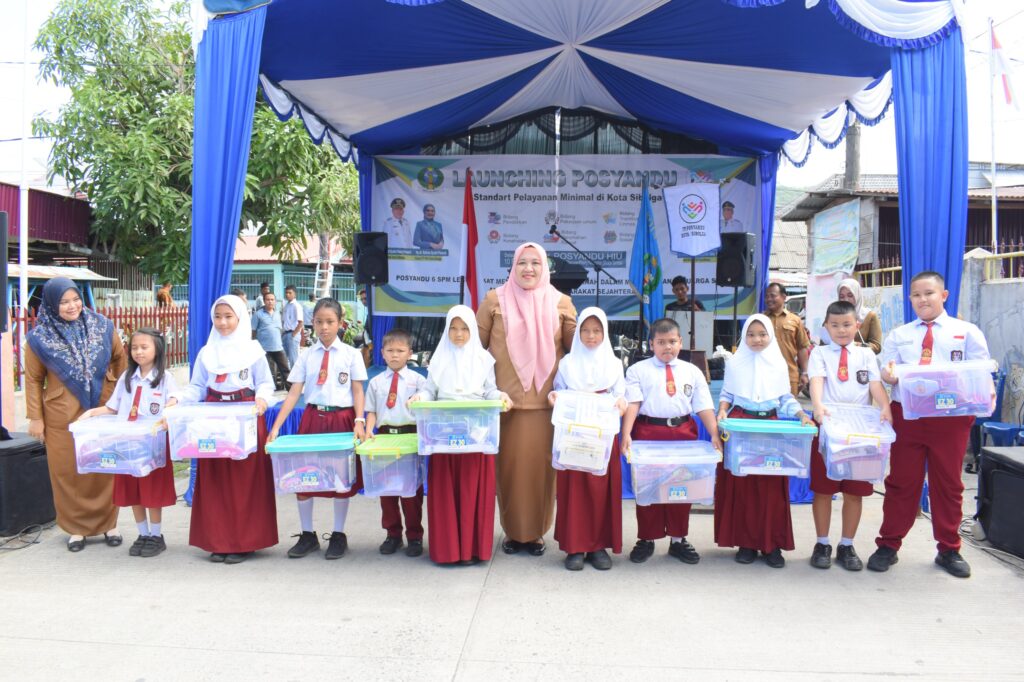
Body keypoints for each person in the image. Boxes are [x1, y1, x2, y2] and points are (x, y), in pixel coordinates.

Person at [869, 271, 992, 579]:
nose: (922, 299)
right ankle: (888, 544)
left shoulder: (967, 332)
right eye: (916, 295)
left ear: (944, 295)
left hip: (950, 419)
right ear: (910, 299)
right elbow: (886, 369)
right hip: (908, 416)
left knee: (948, 483)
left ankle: (949, 548)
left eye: (929, 293)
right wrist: (889, 375)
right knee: (901, 482)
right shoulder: (900, 334)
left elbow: (980, 372)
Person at [477, 242, 577, 556]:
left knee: (542, 473)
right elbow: (474, 350)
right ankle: (513, 532)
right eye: (522, 262)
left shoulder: (562, 302)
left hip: (546, 406)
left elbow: (579, 349)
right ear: (513, 266)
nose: (529, 268)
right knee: (508, 472)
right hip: (504, 406)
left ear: (545, 267)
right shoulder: (494, 299)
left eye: (535, 262)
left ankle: (536, 533)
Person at [171, 295, 277, 564]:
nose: (223, 322)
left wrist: (262, 400)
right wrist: (177, 399)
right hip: (213, 420)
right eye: (217, 317)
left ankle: (243, 542)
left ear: (240, 318)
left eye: (229, 316)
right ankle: (219, 541)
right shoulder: (207, 353)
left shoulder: (253, 351)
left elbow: (266, 383)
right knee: (216, 481)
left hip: (245, 419)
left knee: (244, 482)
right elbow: (197, 387)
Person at [25, 277, 127, 552]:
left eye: (75, 299)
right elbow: (33, 379)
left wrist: (119, 394)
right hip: (61, 415)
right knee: (68, 471)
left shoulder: (103, 326)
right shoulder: (38, 338)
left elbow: (120, 358)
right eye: (64, 302)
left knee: (105, 464)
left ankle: (109, 525)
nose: (72, 306)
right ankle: (76, 529)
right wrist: (36, 417)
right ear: (51, 304)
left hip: (103, 408)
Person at [268, 298, 368, 561]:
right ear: (312, 323)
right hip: (313, 418)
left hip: (341, 419)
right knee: (304, 476)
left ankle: (338, 534)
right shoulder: (306, 356)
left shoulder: (351, 354)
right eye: (319, 321)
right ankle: (307, 534)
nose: (324, 327)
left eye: (330, 322)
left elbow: (358, 390)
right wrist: (276, 427)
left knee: (340, 480)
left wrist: (359, 420)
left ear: (340, 323)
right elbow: (293, 393)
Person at [411, 306, 511, 565]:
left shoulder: (484, 359)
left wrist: (501, 396)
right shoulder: (438, 359)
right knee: (446, 493)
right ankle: (449, 552)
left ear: (473, 330)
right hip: (443, 436)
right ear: (446, 330)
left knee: (471, 491)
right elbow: (429, 391)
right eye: (453, 328)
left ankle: (471, 550)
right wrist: (419, 397)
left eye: (465, 328)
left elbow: (489, 391)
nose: (458, 334)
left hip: (476, 435)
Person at [715, 314, 814, 568]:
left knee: (771, 487)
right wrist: (723, 410)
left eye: (762, 334)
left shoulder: (779, 364)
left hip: (770, 427)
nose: (756, 339)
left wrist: (802, 415)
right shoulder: (735, 363)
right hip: (741, 426)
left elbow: (785, 398)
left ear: (770, 336)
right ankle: (746, 543)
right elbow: (727, 393)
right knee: (744, 487)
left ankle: (772, 545)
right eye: (751, 334)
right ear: (744, 336)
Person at [622, 318, 722, 565]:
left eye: (672, 341)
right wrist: (626, 433)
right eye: (661, 342)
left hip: (683, 433)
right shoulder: (638, 370)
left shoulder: (692, 371)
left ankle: (678, 539)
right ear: (651, 344)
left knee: (682, 486)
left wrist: (714, 433)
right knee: (648, 487)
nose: (667, 347)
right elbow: (633, 403)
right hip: (648, 432)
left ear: (680, 342)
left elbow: (704, 406)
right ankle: (646, 538)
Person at [78, 328, 178, 558]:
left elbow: (174, 400)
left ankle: (156, 536)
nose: (139, 352)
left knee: (152, 492)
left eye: (144, 347)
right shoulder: (126, 378)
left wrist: (171, 407)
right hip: (127, 445)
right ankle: (142, 534)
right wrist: (91, 413)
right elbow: (112, 408)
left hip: (152, 446)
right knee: (133, 491)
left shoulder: (165, 378)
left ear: (157, 349)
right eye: (134, 348)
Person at [808, 301, 892, 571]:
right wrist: (817, 405)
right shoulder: (819, 353)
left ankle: (847, 544)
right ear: (826, 326)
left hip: (860, 430)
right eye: (834, 325)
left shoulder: (866, 355)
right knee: (824, 490)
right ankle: (822, 543)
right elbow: (817, 381)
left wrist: (885, 406)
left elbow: (875, 384)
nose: (841, 330)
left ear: (857, 325)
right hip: (829, 427)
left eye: (846, 324)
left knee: (854, 492)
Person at [549, 308, 626, 571]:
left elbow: (621, 393)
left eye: (596, 331)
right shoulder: (567, 363)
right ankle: (575, 547)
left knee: (599, 489)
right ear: (578, 332)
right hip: (574, 431)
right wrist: (554, 397)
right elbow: (558, 390)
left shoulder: (614, 364)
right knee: (574, 490)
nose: (591, 336)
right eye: (585, 330)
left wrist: (621, 402)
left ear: (605, 333)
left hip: (602, 432)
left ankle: (598, 546)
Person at [364, 328, 426, 557]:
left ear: (410, 353)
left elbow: (425, 411)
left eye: (400, 350)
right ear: (382, 352)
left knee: (411, 493)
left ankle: (415, 537)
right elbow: (371, 411)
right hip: (384, 438)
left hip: (409, 437)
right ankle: (393, 535)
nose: (395, 355)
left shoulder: (419, 381)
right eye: (390, 350)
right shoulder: (376, 383)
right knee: (387, 490)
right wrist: (369, 431)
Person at [764, 282, 811, 396]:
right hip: (765, 375)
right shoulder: (761, 319)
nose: (769, 299)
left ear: (784, 297)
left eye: (773, 295)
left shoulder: (795, 320)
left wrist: (804, 373)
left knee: (789, 406)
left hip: (789, 376)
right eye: (767, 296)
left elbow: (802, 348)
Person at [252, 292, 291, 390]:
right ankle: (268, 392)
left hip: (278, 347)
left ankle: (291, 391)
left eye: (272, 299)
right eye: (268, 299)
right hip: (264, 349)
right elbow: (253, 331)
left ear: (275, 301)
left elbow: (280, 329)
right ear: (264, 301)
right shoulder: (258, 314)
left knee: (286, 370)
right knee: (267, 372)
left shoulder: (278, 314)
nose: (270, 301)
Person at [837, 278, 882, 354]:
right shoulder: (833, 316)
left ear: (857, 295)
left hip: (861, 360)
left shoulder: (869, 316)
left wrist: (856, 345)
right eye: (842, 296)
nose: (846, 300)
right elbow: (823, 344)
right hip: (837, 360)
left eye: (850, 295)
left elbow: (876, 347)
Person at [281, 285, 303, 366]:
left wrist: (293, 334)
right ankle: (287, 374)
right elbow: (284, 321)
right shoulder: (286, 305)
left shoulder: (297, 306)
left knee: (293, 359)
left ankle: (295, 374)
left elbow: (301, 322)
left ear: (295, 294)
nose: (287, 294)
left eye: (290, 293)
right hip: (285, 334)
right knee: (284, 359)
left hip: (292, 334)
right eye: (286, 293)